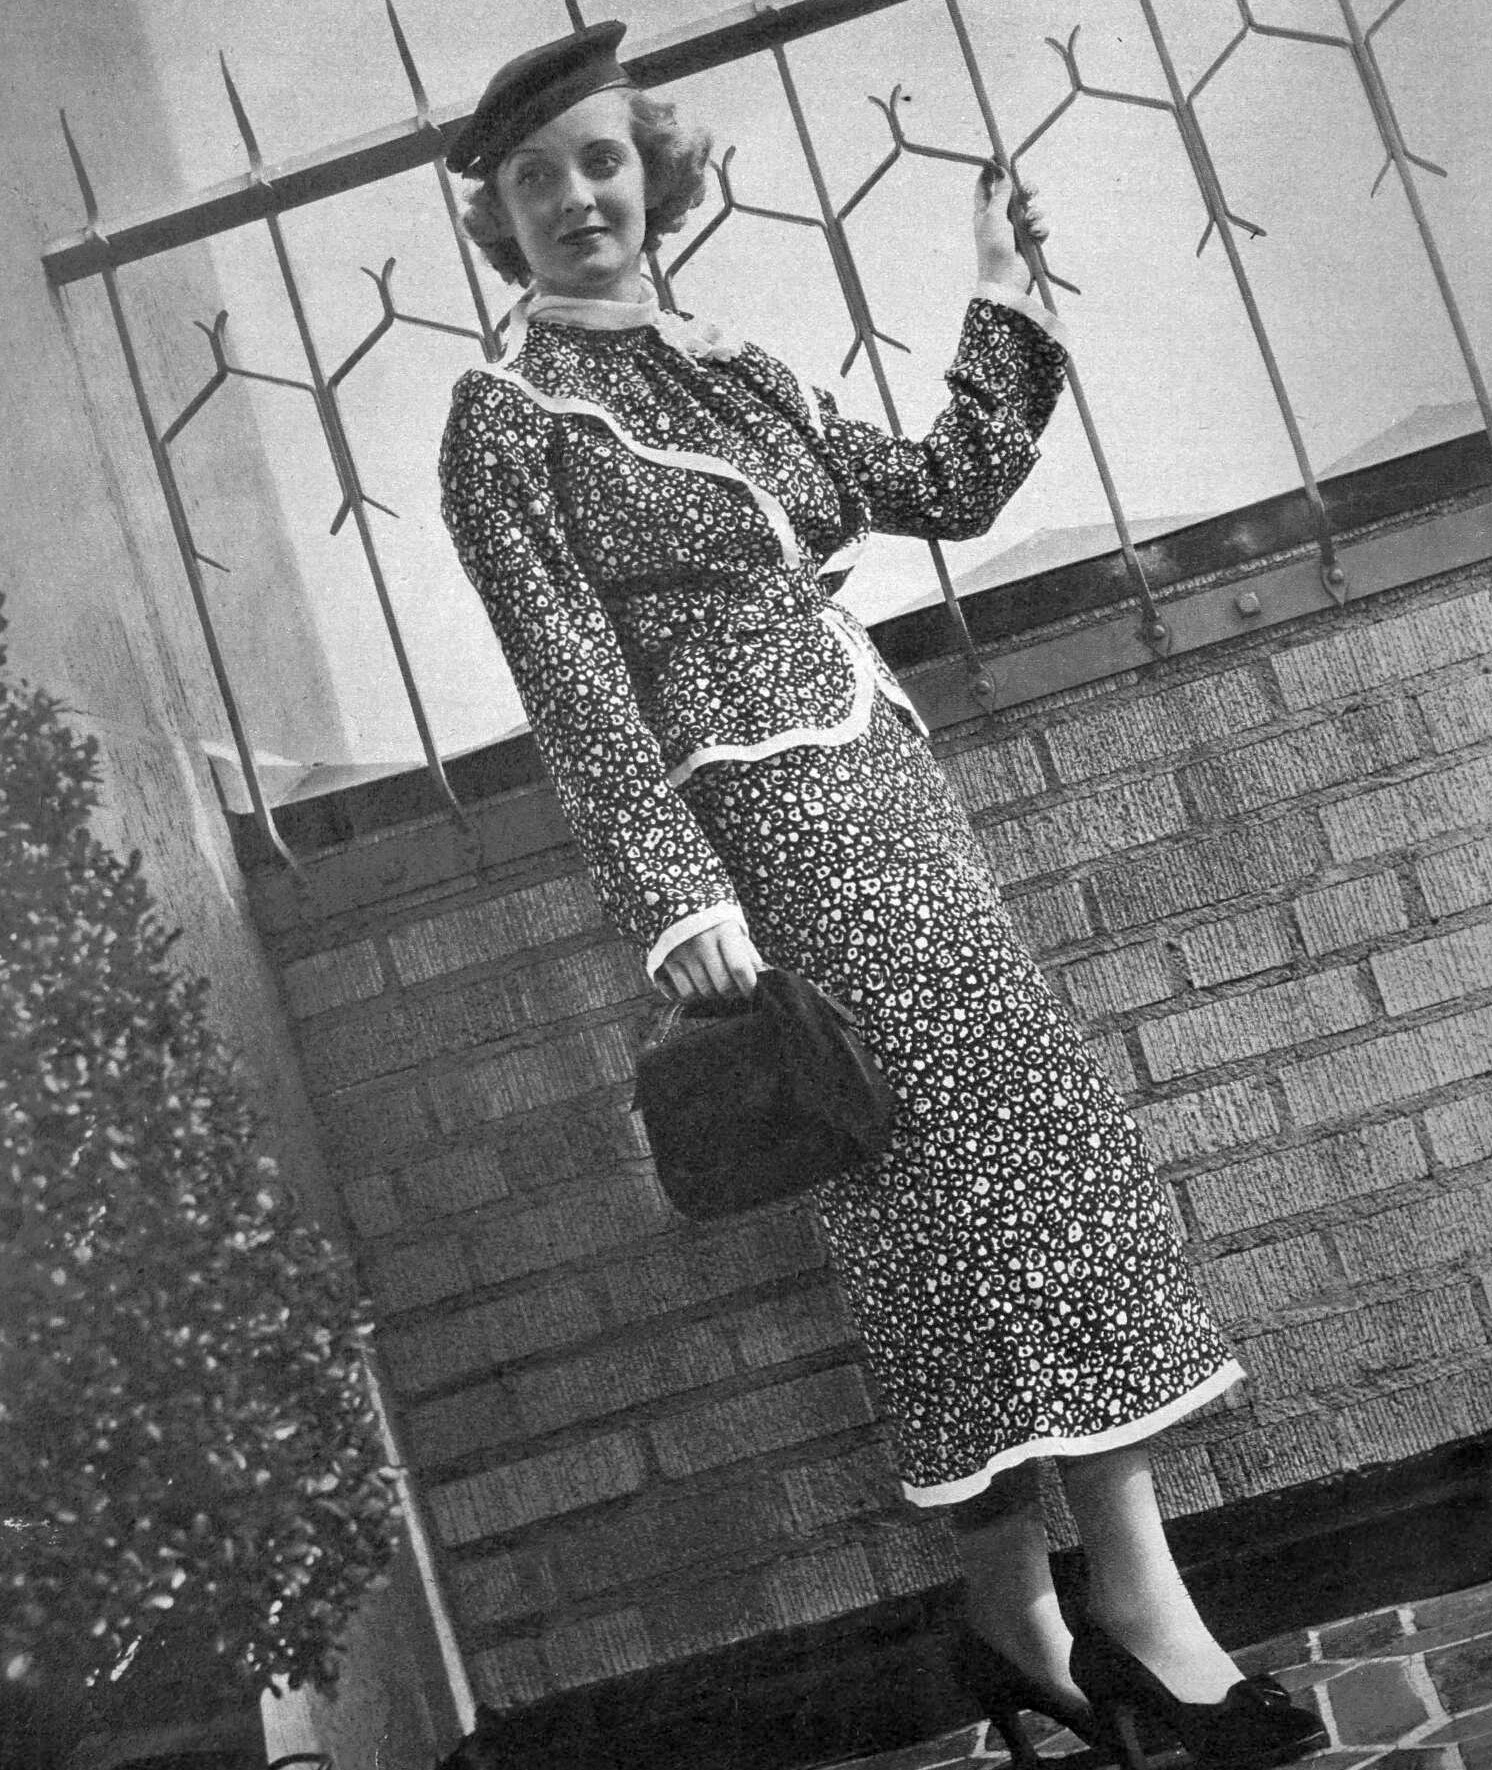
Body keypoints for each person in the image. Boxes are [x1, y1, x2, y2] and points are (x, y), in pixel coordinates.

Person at [436, 23, 1325, 1770]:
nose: (576, 199)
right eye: (536, 180)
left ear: (654, 174)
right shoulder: (506, 416)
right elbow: (573, 681)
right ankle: (1136, 1613)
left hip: (891, 792)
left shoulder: (734, 368)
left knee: (1004, 1171)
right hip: (769, 843)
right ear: (505, 217)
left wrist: (999, 288)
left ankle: (1024, 1620)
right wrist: (673, 891)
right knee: (948, 1190)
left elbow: (950, 484)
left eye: (601, 161)